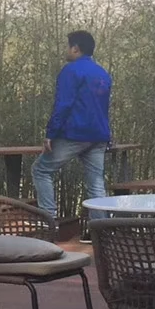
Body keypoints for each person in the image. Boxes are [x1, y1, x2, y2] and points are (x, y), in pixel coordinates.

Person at [32, 30, 112, 232]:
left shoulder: (71, 71)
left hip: (76, 133)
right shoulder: (102, 73)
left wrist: (51, 133)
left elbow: (63, 104)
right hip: (99, 135)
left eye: (67, 46)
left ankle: (49, 222)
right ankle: (102, 232)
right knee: (96, 185)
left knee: (41, 170)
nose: (66, 50)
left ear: (75, 48)